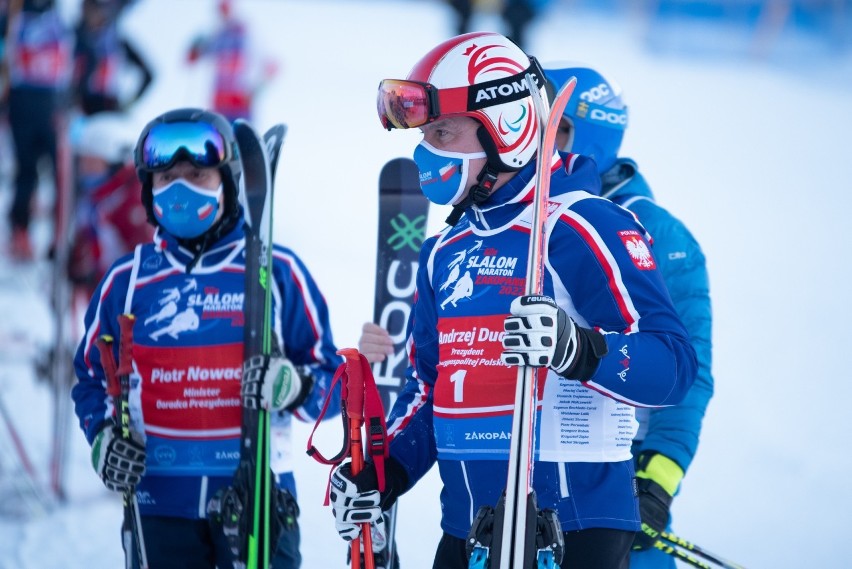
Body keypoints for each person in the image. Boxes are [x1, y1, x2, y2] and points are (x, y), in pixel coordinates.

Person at [331, 32, 697, 569]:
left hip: (572, 531)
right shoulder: (441, 254)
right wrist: (382, 471)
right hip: (466, 531)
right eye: (425, 135)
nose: (425, 152)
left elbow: (673, 366)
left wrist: (579, 349)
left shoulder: (581, 226)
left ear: (504, 125)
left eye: (442, 132)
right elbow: (432, 393)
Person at [71, 108, 341, 568]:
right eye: (165, 177)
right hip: (157, 505)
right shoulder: (127, 281)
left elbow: (335, 388)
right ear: (148, 188)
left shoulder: (277, 272)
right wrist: (102, 439)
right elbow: (91, 380)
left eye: (197, 174)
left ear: (229, 181)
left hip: (257, 501)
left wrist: (296, 386)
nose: (179, 188)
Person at [544, 63, 714, 569]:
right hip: (535, 476)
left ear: (592, 136)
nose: (543, 143)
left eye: (560, 129)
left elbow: (689, 372)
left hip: (620, 477)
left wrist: (654, 485)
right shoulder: (524, 219)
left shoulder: (659, 234)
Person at [3, 0, 71, 260]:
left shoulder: (59, 14)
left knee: (60, 173)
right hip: (22, 104)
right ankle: (20, 228)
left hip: (53, 104)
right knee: (27, 170)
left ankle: (61, 234)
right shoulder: (16, 12)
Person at [67, 111, 152, 301]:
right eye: (83, 162)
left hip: (126, 305)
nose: (84, 170)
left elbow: (146, 264)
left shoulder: (133, 203)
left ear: (116, 163)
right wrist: (76, 261)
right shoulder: (97, 198)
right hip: (103, 298)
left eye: (92, 163)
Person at [185, 0, 278, 123]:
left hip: (240, 104)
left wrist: (257, 90)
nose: (223, 12)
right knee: (220, 139)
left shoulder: (247, 34)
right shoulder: (217, 36)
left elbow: (272, 66)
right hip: (219, 104)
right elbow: (191, 59)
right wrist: (195, 46)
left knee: (241, 138)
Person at [71, 0, 153, 116]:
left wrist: (128, 104)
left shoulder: (116, 43)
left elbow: (148, 75)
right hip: (79, 114)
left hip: (109, 112)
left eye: (95, 7)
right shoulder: (71, 38)